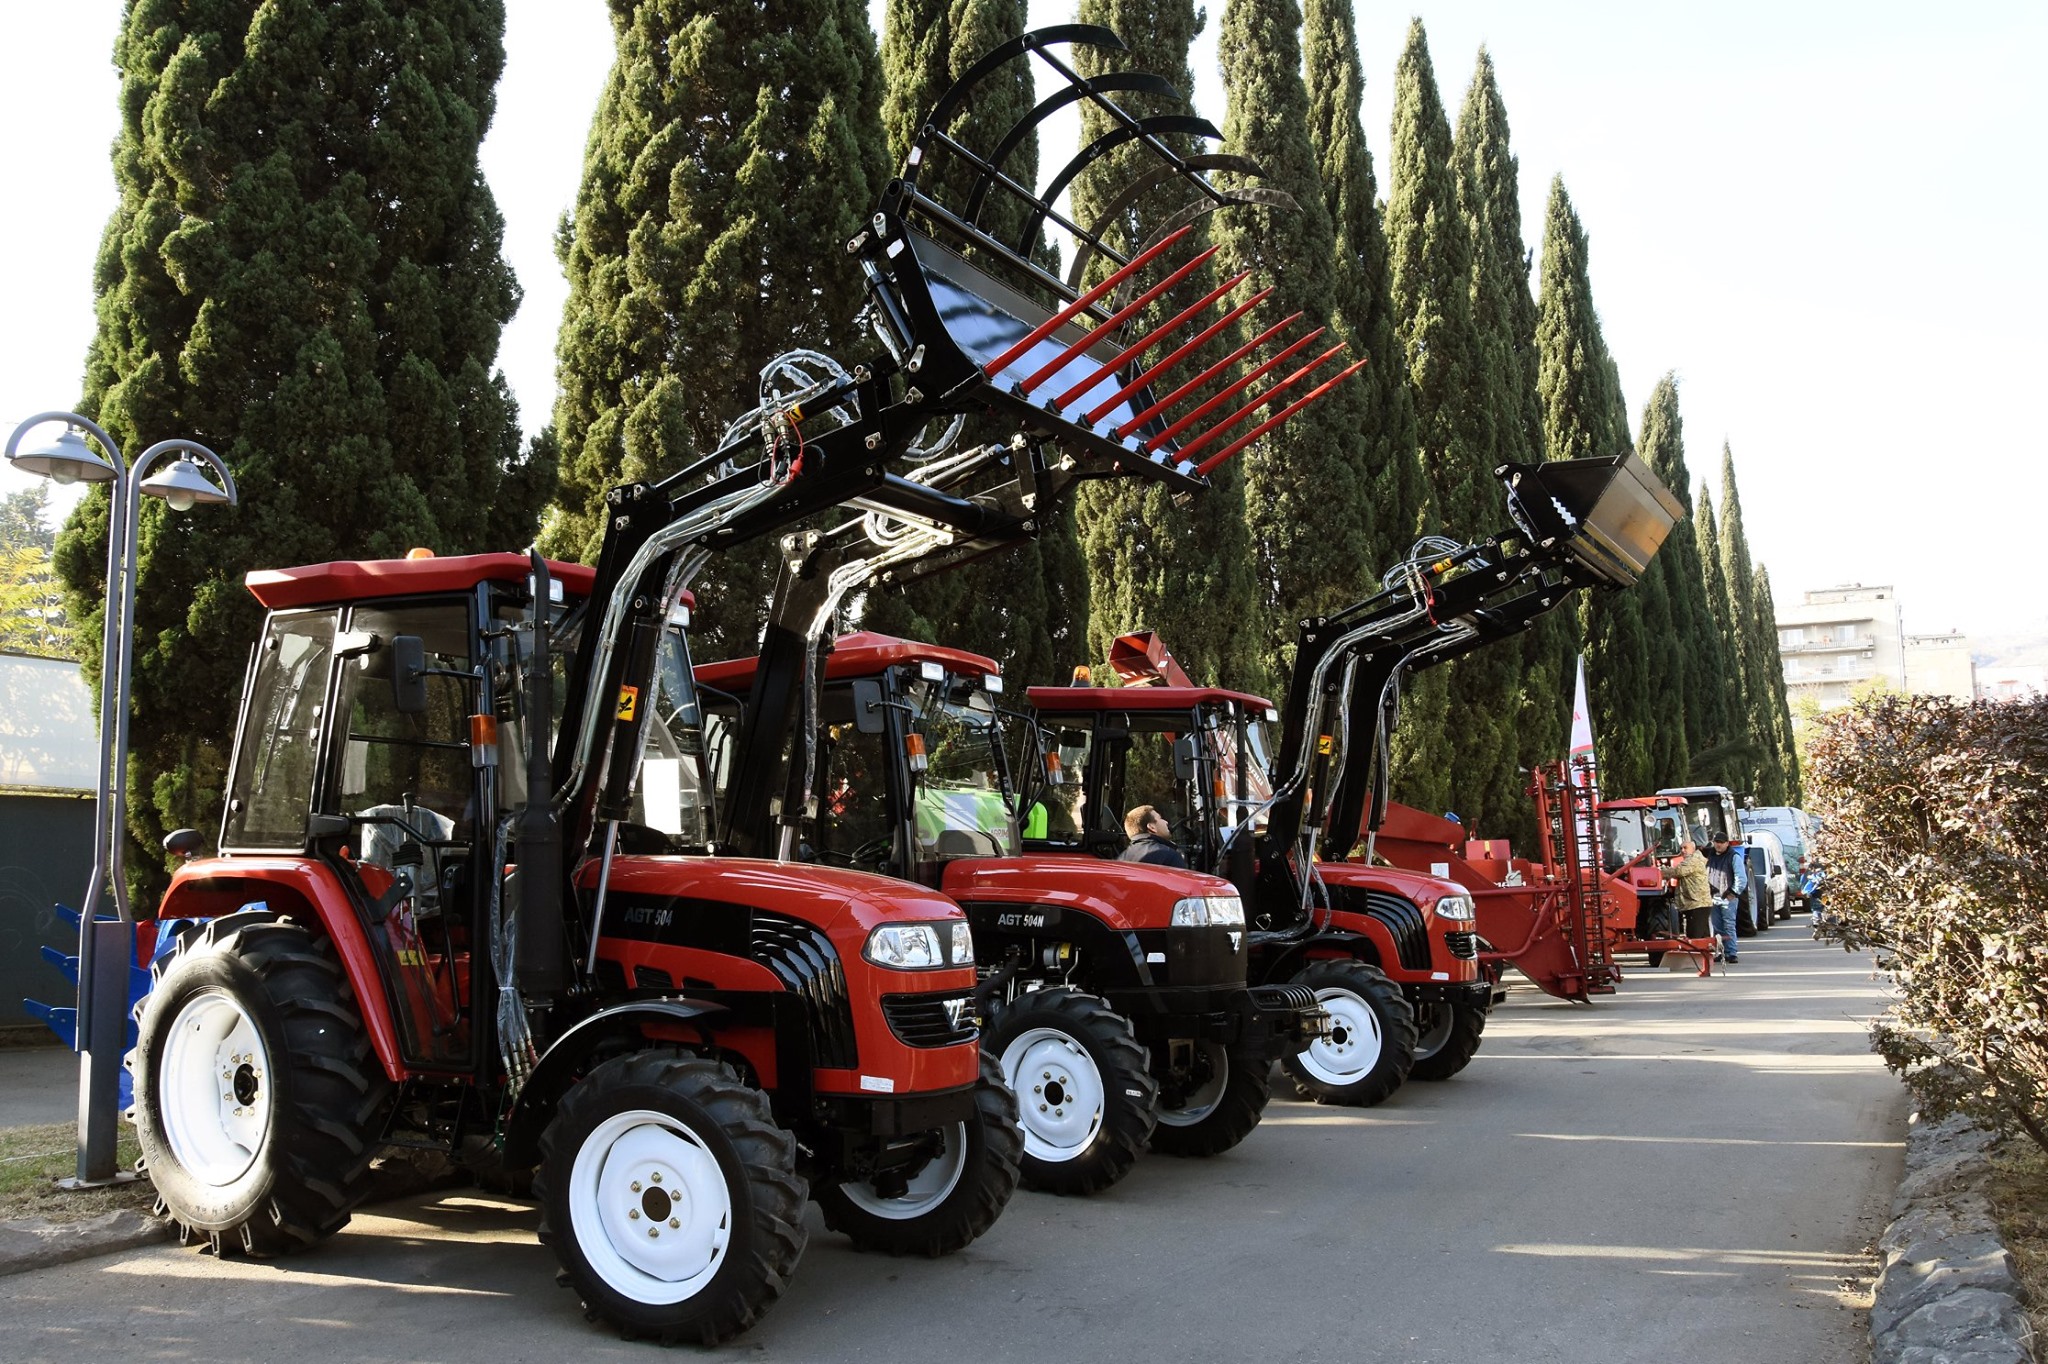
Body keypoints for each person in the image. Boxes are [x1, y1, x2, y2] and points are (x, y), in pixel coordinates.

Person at [1704, 831, 1750, 963]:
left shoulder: (1734, 857)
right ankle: (1721, 953)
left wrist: (1733, 893)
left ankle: (1732, 953)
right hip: (1713, 897)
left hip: (1727, 897)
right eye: (1716, 842)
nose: (1718, 845)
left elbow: (1741, 878)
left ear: (1727, 843)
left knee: (1729, 925)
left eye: (1721, 842)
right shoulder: (1710, 855)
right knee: (1717, 927)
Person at [1667, 838, 1714, 942]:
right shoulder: (1693, 859)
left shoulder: (1693, 860)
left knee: (1694, 939)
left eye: (1685, 848)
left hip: (1697, 904)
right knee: (1703, 938)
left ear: (1693, 849)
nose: (1682, 850)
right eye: (1681, 848)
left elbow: (1678, 871)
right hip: (1696, 904)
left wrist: (1658, 872)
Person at [1119, 804, 1187, 868]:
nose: (1166, 822)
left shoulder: (1121, 860)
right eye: (1160, 818)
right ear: (1152, 827)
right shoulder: (1170, 856)